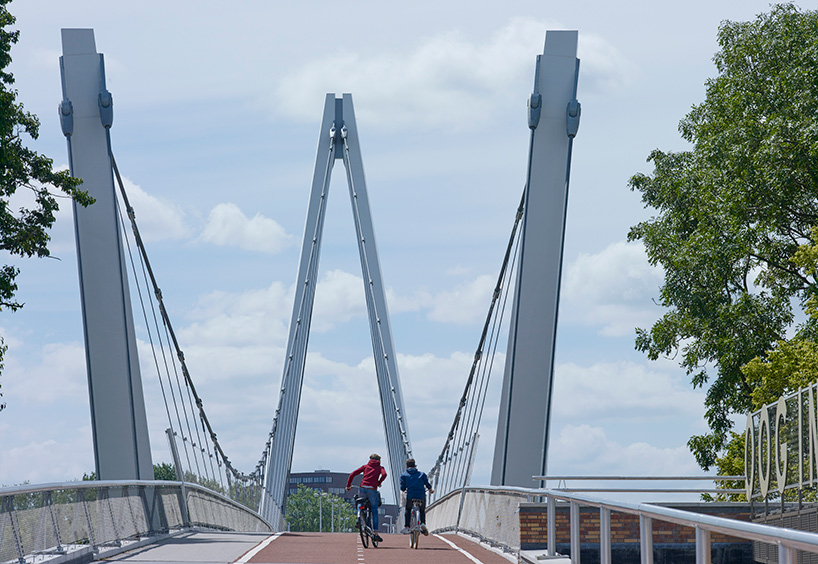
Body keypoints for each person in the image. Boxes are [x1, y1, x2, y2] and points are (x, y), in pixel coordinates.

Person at [346, 453, 387, 542]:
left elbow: (352, 474)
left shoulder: (365, 467)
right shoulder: (380, 468)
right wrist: (379, 482)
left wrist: (348, 486)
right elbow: (384, 474)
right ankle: (375, 533)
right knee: (374, 511)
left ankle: (359, 518)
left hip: (363, 488)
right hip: (372, 490)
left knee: (360, 502)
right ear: (379, 460)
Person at [399, 458, 433, 535]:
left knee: (408, 509)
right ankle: (423, 523)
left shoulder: (404, 475)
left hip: (410, 496)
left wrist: (404, 489)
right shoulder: (422, 474)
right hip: (421, 495)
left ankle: (407, 527)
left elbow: (403, 487)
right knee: (421, 510)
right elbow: (427, 484)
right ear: (415, 466)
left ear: (407, 467)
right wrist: (430, 489)